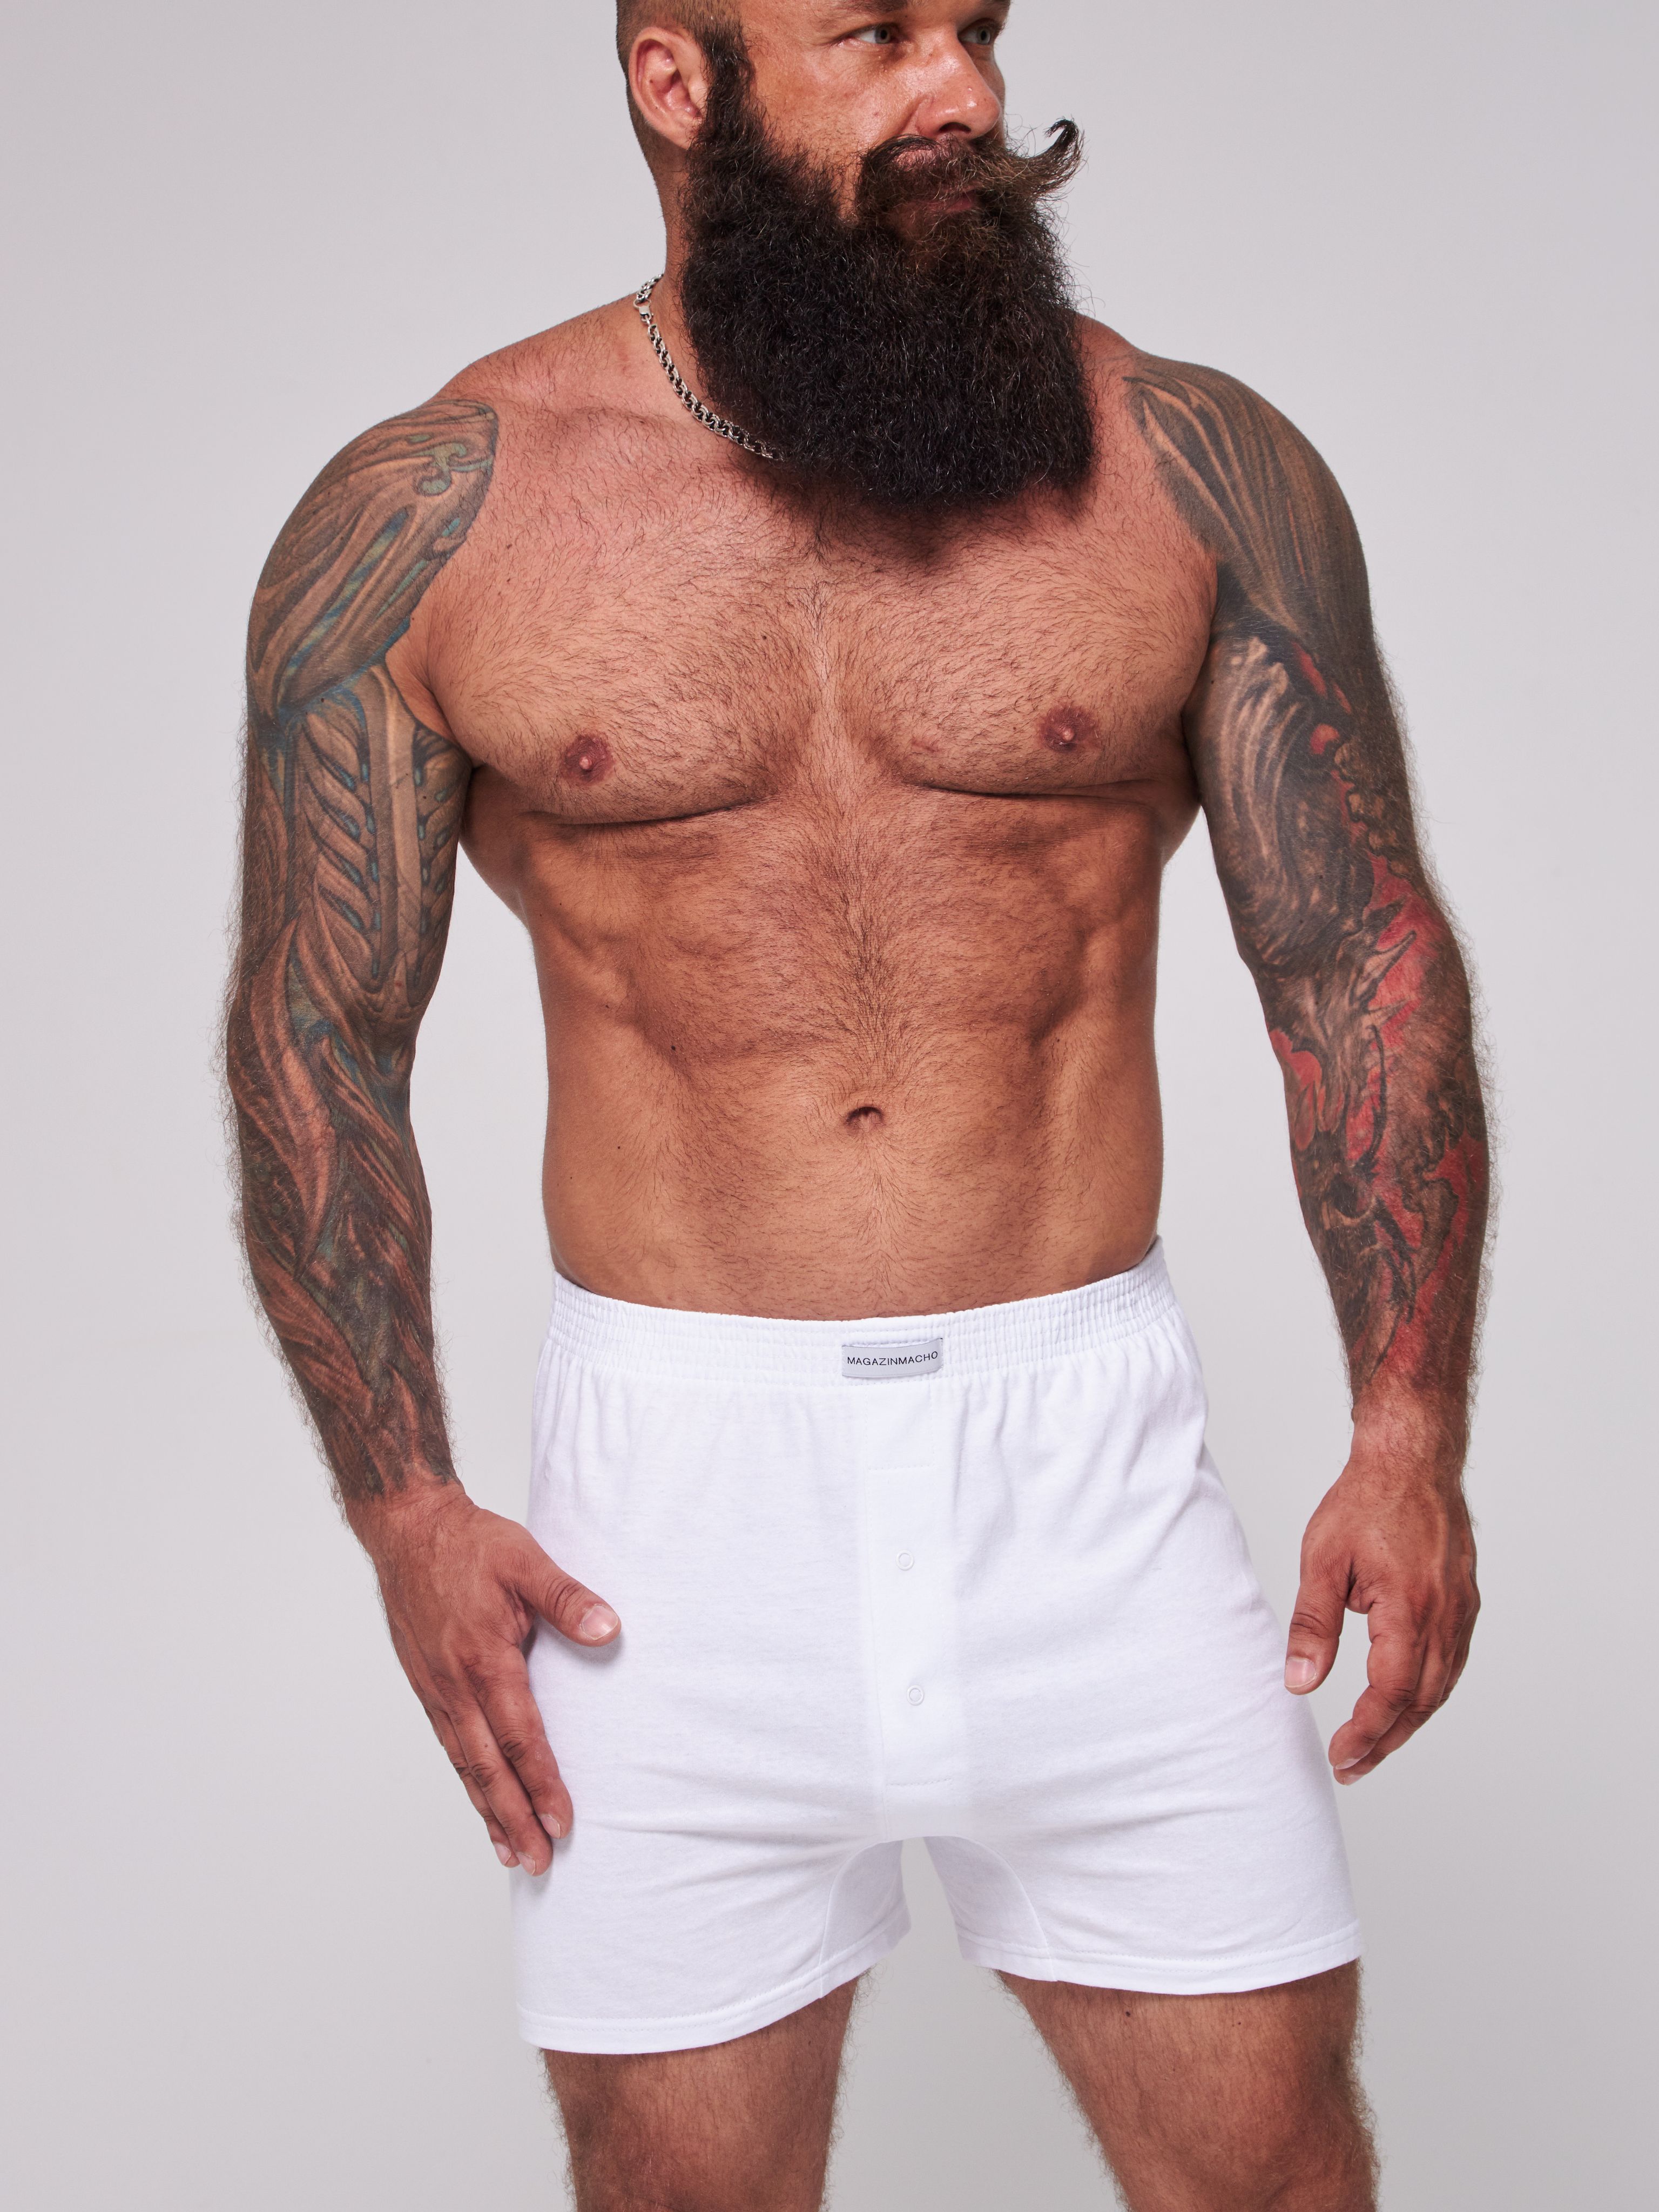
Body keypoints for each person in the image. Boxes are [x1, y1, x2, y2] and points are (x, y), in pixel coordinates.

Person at [225, 4, 1488, 2206]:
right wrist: (404, 1507)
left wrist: (1408, 1427)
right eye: (879, 35)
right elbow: (318, 1030)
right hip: (666, 1528)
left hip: (1094, 1484)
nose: (963, 94)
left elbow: (1355, 957)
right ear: (678, 80)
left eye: (979, 29)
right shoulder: (438, 514)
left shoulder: (1191, 471)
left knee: (1278, 2177)